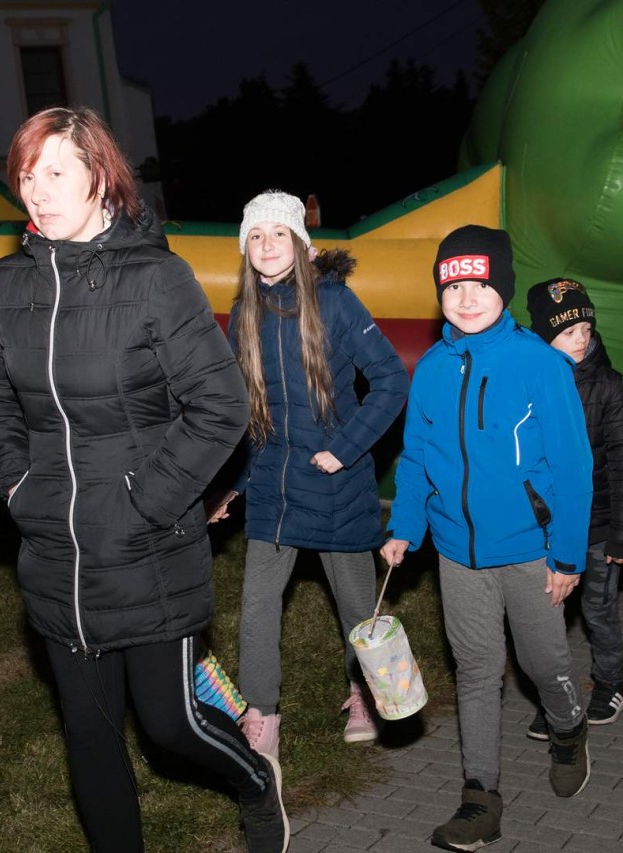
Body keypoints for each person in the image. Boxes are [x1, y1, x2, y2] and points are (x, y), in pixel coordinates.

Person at [0, 107, 288, 853]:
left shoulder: (155, 279)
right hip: (54, 547)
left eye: (56, 172)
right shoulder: (9, 283)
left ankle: (254, 780)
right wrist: (14, 483)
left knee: (171, 726)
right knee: (90, 731)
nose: (37, 191)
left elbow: (222, 404)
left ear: (100, 176)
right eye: (26, 175)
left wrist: (147, 501)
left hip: (145, 546)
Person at [380, 225, 594, 851]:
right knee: (476, 671)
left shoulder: (540, 364)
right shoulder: (432, 369)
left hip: (531, 550)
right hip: (457, 553)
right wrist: (405, 526)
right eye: (454, 288)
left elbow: (573, 467)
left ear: (503, 288)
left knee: (543, 663)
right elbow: (416, 458)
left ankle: (568, 728)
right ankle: (480, 798)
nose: (467, 299)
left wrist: (568, 556)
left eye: (480, 285)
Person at [209, 190, 409, 757]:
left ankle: (365, 692)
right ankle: (262, 715)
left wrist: (344, 450)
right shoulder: (243, 314)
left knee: (356, 608)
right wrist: (233, 486)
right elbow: (249, 412)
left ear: (301, 244)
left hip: (334, 484)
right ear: (245, 248)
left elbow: (391, 380)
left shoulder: (335, 302)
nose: (267, 244)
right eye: (255, 236)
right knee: (257, 605)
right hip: (273, 485)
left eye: (279, 234)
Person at [526, 278, 623, 739]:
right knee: (545, 618)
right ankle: (557, 697)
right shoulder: (529, 383)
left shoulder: (610, 386)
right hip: (542, 529)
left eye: (585, 329)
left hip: (597, 528)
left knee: (598, 610)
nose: (580, 339)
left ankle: (612, 682)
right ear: (543, 336)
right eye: (567, 331)